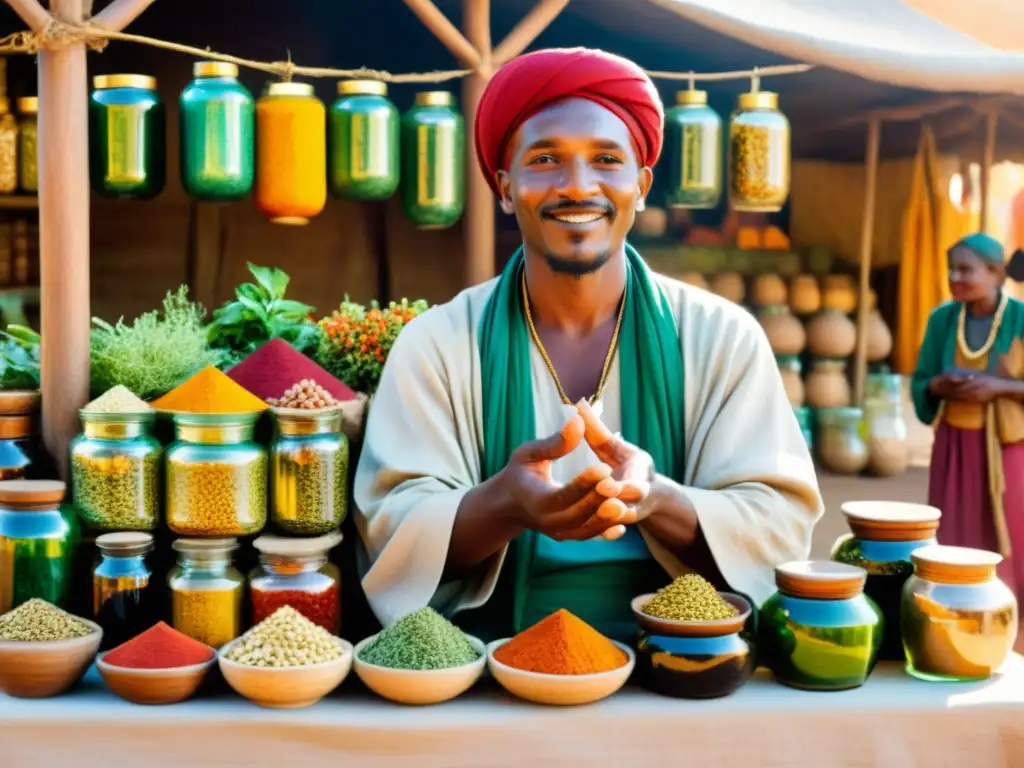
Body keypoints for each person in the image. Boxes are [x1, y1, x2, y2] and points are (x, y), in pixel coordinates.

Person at [353, 48, 823, 642]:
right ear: (504, 187)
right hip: (493, 668)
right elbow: (391, 530)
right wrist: (504, 503)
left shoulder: (721, 336)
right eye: (545, 159)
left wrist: (659, 501)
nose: (577, 187)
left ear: (642, 185)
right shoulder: (439, 344)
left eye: (606, 160)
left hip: (681, 667)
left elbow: (779, 526)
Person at [913, 233, 1024, 605]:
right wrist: (937, 386)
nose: (955, 277)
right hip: (953, 446)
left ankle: (1006, 606)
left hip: (1004, 448)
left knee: (1008, 524)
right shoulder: (942, 319)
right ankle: (955, 599)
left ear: (995, 275)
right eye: (951, 269)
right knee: (954, 525)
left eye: (965, 269)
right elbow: (921, 380)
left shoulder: (1020, 318)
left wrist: (999, 387)